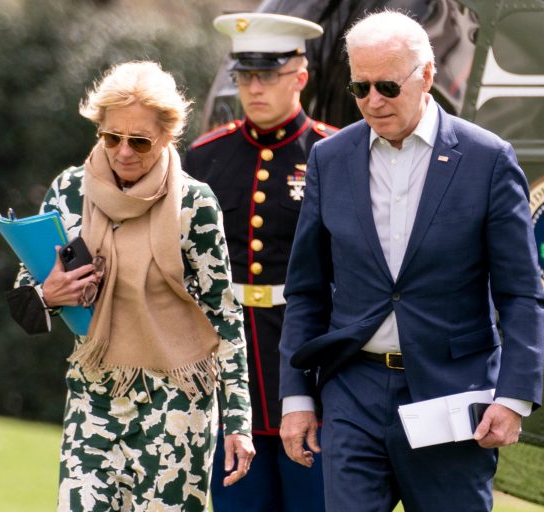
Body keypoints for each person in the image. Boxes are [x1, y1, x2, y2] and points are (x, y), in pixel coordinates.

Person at [278, 11, 544, 512]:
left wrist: (513, 398)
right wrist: (296, 398)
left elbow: (521, 293)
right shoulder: (329, 159)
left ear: (425, 75)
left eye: (387, 86)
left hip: (452, 394)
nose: (372, 101)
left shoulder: (488, 159)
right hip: (352, 391)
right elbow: (306, 291)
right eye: (359, 88)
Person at [6, 61, 254, 512]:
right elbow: (25, 299)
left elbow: (224, 315)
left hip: (178, 406)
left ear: (167, 136)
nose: (123, 152)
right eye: (111, 137)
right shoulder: (69, 189)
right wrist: (49, 294)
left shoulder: (194, 203)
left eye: (139, 141)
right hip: (94, 395)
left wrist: (238, 420)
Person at [185, 12, 335, 512]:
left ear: (300, 76)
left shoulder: (333, 153)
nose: (253, 88)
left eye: (268, 75)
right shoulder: (205, 157)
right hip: (229, 370)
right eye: (245, 75)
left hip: (308, 367)